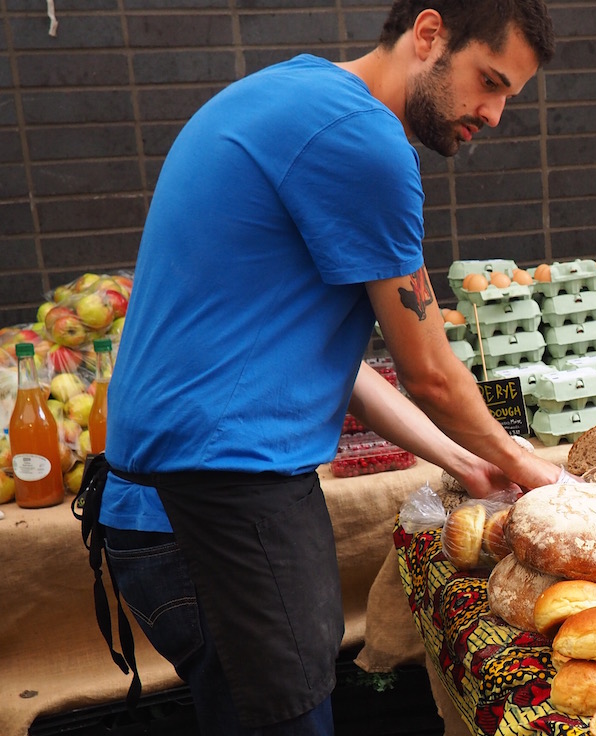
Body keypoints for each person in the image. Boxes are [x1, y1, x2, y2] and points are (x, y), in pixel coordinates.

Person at [89, 2, 562, 733]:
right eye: (489, 82)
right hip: (220, 514)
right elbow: (430, 370)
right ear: (429, 35)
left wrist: (465, 460)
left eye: (508, 96)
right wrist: (533, 471)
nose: (495, 115)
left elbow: (328, 364)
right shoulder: (362, 140)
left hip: (153, 514)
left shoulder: (290, 94)